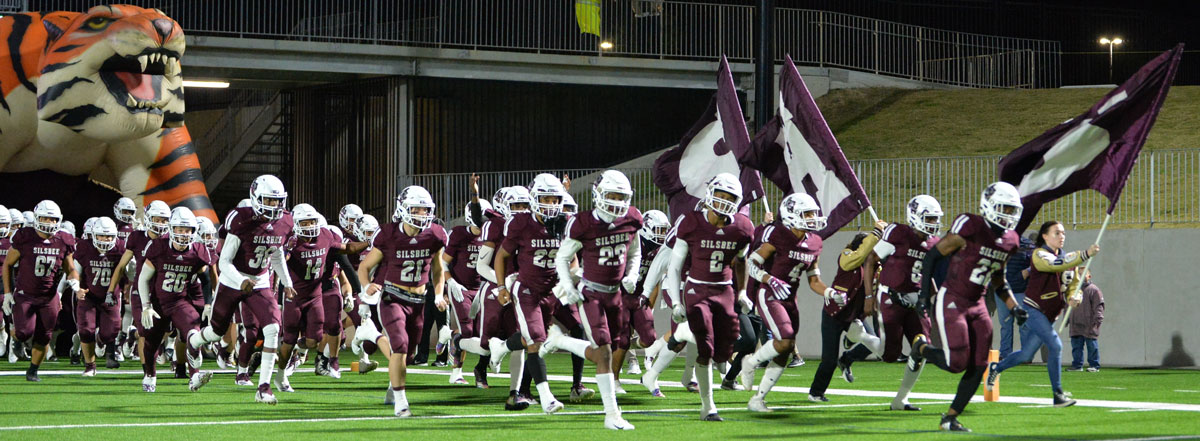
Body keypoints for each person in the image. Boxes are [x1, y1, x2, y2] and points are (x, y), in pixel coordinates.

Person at [911, 182, 1026, 432]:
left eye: (1012, 210)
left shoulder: (1011, 241)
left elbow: (999, 278)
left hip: (978, 304)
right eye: (1004, 208)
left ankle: (950, 417)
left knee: (980, 364)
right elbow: (932, 256)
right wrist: (923, 297)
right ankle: (921, 348)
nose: (1009, 215)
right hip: (953, 298)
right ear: (989, 205)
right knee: (957, 363)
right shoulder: (971, 226)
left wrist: (1014, 307)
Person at [545, 170, 641, 430]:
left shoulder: (632, 219)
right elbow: (562, 258)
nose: (616, 202)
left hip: (615, 294)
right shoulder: (584, 223)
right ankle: (612, 415)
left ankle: (560, 340)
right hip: (592, 294)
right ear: (598, 194)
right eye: (612, 195)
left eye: (621, 197)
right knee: (605, 352)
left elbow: (634, 252)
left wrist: (632, 274)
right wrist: (569, 286)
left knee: (605, 351)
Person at [187, 174, 296, 404]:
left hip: (260, 280)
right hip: (232, 280)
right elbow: (224, 262)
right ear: (256, 198)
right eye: (269, 200)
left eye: (277, 201)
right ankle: (194, 342)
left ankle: (263, 388)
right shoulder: (241, 219)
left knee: (272, 329)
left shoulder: (285, 221)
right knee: (216, 332)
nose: (274, 205)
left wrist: (287, 282)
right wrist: (241, 281)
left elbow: (276, 253)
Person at [664, 173, 754, 421]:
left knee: (725, 350)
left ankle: (685, 335)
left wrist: (743, 291)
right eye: (721, 195)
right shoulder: (692, 222)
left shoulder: (742, 227)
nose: (724, 201)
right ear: (710, 194)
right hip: (697, 290)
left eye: (730, 198)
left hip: (724, 291)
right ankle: (708, 406)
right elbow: (674, 266)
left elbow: (742, 261)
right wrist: (676, 301)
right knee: (705, 346)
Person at [353, 185, 448, 417]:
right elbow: (364, 267)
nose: (421, 214)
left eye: (425, 210)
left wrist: (438, 294)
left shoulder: (434, 235)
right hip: (393, 297)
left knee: (410, 355)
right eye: (416, 209)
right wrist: (366, 286)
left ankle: (391, 387)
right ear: (404, 208)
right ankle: (401, 402)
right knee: (400, 345)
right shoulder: (389, 234)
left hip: (419, 300)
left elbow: (438, 270)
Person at [739, 193, 840, 408]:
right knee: (784, 340)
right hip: (769, 294)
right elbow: (752, 262)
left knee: (787, 348)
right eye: (807, 214)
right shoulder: (778, 235)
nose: (812, 218)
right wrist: (769, 279)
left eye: (813, 213)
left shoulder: (815, 242)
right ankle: (750, 362)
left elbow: (814, 280)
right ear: (791, 214)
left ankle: (758, 399)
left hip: (790, 298)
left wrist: (830, 293)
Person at [845, 195, 943, 410]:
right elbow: (871, 260)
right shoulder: (898, 232)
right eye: (929, 218)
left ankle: (901, 399)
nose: (934, 223)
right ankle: (859, 335)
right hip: (891, 296)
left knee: (922, 347)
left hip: (915, 299)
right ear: (915, 216)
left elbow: (926, 272)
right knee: (890, 354)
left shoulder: (934, 242)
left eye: (936, 219)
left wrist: (933, 296)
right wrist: (869, 296)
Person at [987, 220, 1096, 407]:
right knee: (1056, 346)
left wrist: (1074, 297)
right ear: (1045, 236)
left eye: (1063, 233)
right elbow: (1054, 265)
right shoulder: (1039, 254)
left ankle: (996, 368)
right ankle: (1058, 394)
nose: (1062, 236)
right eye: (1056, 233)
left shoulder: (1068, 259)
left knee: (1025, 354)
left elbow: (1073, 285)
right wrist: (1085, 254)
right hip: (1034, 309)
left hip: (1050, 315)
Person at [494, 174, 576, 415]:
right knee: (537, 341)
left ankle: (501, 347)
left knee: (534, 338)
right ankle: (546, 397)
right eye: (545, 199)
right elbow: (501, 256)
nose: (551, 204)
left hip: (551, 292)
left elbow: (573, 259)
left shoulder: (565, 223)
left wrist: (569, 279)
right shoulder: (522, 223)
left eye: (554, 199)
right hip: (527, 289)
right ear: (534, 199)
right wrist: (501, 287)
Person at [136, 207, 216, 392]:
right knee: (151, 340)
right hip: (158, 302)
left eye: (188, 230)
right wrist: (146, 305)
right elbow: (143, 278)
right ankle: (150, 374)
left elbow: (205, 279)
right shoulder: (159, 246)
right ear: (171, 228)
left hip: (179, 301)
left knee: (193, 330)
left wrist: (208, 303)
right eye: (180, 229)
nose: (184, 234)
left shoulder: (197, 250)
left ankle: (195, 375)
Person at [2, 200, 79, 381]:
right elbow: (7, 265)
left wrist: (74, 280)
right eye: (45, 218)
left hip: (48, 296)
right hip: (25, 294)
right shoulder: (25, 236)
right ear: (37, 218)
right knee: (24, 332)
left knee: (45, 336)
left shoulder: (63, 240)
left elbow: (70, 268)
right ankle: (17, 339)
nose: (49, 222)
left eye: (53, 219)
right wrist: (7, 292)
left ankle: (33, 370)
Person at [478, 186, 537, 409]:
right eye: (516, 206)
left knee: (521, 338)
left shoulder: (533, 225)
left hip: (521, 290)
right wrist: (503, 282)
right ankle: (458, 343)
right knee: (484, 345)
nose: (521, 210)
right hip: (497, 288)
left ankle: (515, 392)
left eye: (524, 205)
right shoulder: (495, 225)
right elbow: (481, 266)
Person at [442, 174, 493, 387]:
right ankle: (456, 372)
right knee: (468, 331)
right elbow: (444, 263)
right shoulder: (459, 234)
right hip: (461, 287)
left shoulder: (491, 236)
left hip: (482, 289)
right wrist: (451, 282)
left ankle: (450, 336)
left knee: (485, 333)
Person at [72, 217, 126, 374]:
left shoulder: (120, 248)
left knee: (110, 333)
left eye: (109, 236)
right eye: (102, 235)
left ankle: (99, 341)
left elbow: (129, 273)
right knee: (85, 330)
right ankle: (90, 366)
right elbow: (75, 271)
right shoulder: (85, 247)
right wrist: (77, 288)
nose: (106, 239)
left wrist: (128, 288)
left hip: (110, 296)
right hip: (88, 295)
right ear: (94, 235)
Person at [998, 235, 1034, 360]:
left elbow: (1036, 263)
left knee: (1024, 324)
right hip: (1002, 291)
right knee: (1005, 324)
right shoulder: (998, 242)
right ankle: (1005, 354)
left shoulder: (1027, 245)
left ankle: (1026, 355)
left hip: (1020, 290)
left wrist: (1026, 272)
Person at [1068, 269, 1102, 372]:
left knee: (1092, 345)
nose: (1080, 276)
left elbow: (1098, 305)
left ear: (1089, 276)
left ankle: (1094, 365)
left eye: (1083, 274)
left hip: (1089, 323)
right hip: (1075, 323)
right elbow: (1067, 305)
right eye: (1078, 274)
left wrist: (1098, 318)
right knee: (1076, 346)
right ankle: (1077, 365)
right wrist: (1067, 318)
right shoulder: (1073, 291)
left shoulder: (1094, 290)